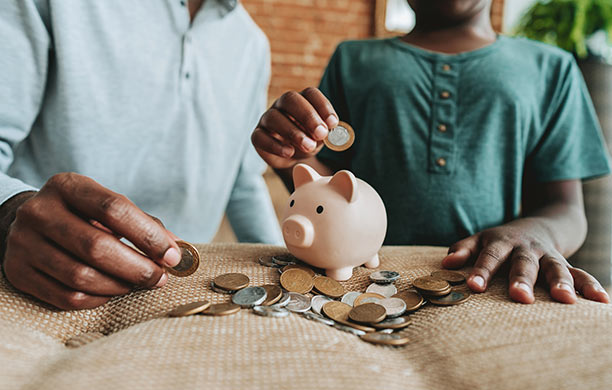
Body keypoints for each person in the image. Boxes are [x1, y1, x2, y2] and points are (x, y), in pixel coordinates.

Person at [252, 0, 612, 304]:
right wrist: (294, 160)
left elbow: (566, 209)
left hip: (489, 284)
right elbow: (330, 189)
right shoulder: (354, 61)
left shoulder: (552, 69)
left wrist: (535, 234)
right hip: (361, 284)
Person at [0, 0, 282, 310]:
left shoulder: (253, 46)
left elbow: (241, 183)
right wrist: (10, 213)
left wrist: (282, 267)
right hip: (48, 281)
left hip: (181, 295)